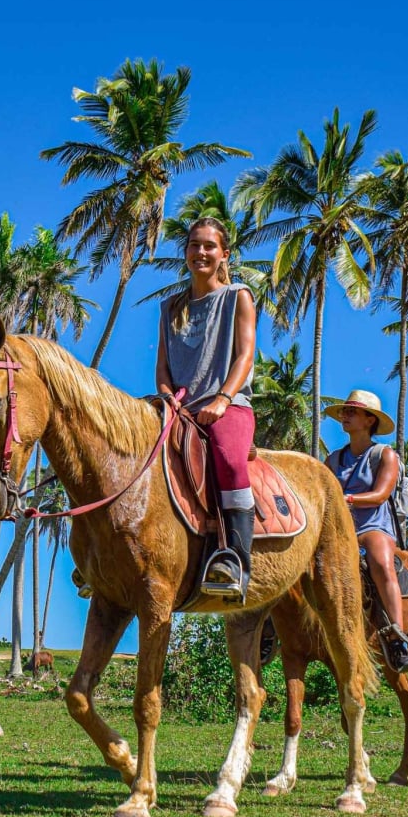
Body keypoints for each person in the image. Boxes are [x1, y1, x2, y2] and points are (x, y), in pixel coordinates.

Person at [155, 217, 257, 600]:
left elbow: (245, 356)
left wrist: (222, 399)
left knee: (229, 460)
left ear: (224, 254)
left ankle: (235, 560)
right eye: (194, 245)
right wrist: (167, 396)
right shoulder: (170, 307)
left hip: (227, 405)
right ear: (185, 253)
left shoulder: (237, 297)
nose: (201, 252)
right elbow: (163, 368)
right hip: (179, 410)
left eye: (209, 246)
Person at [323, 390, 408, 673]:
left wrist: (345, 499)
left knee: (380, 562)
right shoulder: (333, 459)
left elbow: (379, 495)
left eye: (353, 411)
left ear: (369, 420)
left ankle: (396, 636)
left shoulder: (385, 455)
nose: (346, 415)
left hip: (372, 526)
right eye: (345, 411)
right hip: (338, 530)